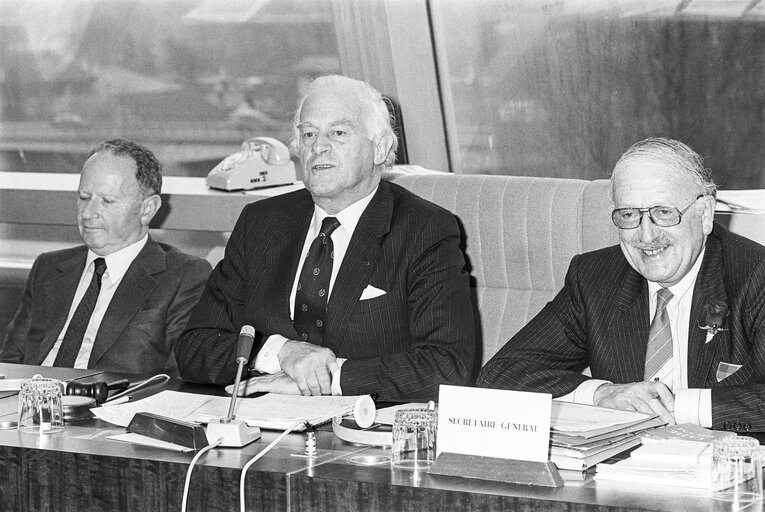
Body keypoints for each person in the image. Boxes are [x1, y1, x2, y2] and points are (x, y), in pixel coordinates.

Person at [175, 74, 474, 400]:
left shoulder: (424, 230)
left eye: (339, 133)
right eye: (308, 134)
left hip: (361, 432)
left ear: (380, 149)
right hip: (257, 424)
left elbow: (446, 368)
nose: (318, 147)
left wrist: (330, 379)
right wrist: (281, 352)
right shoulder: (260, 223)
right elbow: (194, 346)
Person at [478, 137, 765, 432]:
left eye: (664, 213)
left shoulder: (755, 276)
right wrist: (603, 395)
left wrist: (673, 406)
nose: (647, 235)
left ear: (705, 214)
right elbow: (501, 374)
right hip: (619, 468)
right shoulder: (595, 278)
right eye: (629, 215)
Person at [1, 139, 212, 377]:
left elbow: (178, 378)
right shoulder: (49, 268)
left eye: (107, 201)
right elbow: (10, 362)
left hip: (112, 407)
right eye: (84, 197)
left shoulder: (183, 276)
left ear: (147, 210)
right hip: (30, 403)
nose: (88, 213)